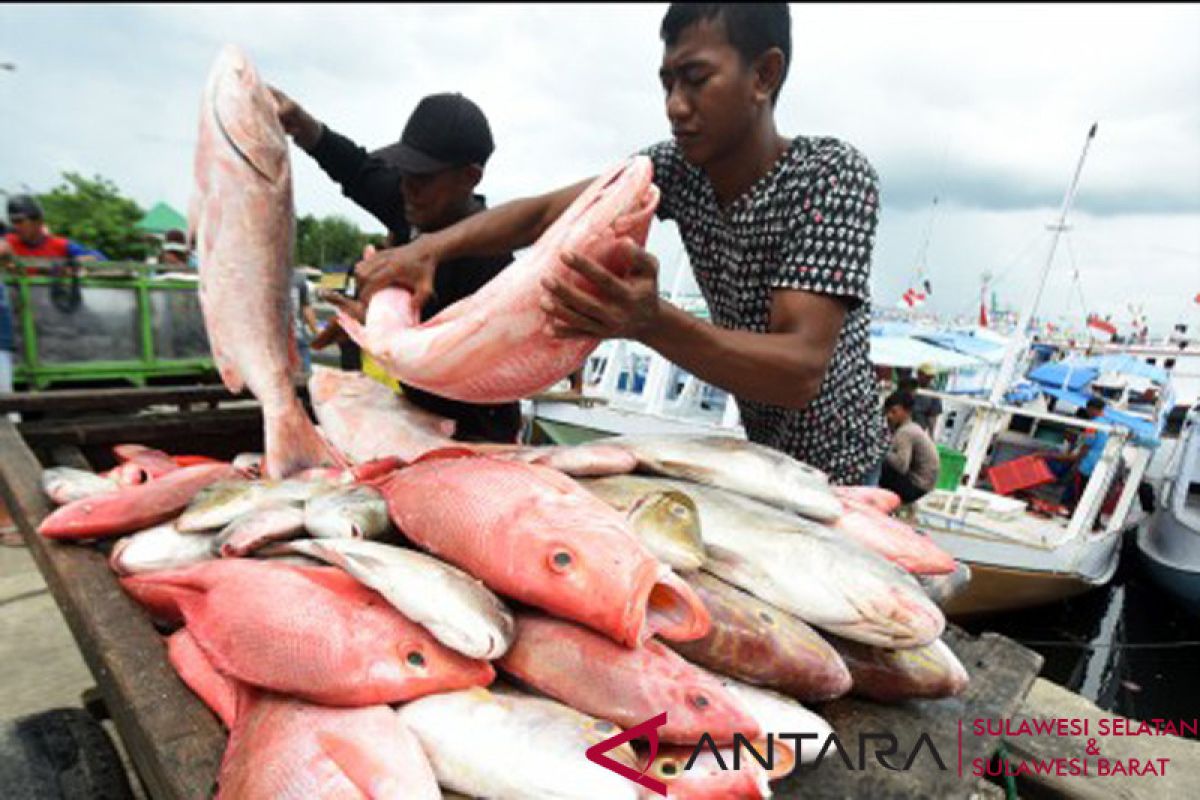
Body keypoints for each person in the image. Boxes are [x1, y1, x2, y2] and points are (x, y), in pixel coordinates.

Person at [351, 3, 887, 484]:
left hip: (843, 471)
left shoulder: (830, 177)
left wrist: (650, 321)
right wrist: (428, 249)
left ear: (764, 75)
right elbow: (542, 213)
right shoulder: (678, 169)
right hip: (764, 459)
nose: (676, 106)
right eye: (668, 83)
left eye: (697, 80)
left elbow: (799, 370)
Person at [270, 88, 522, 443]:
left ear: (470, 177)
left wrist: (372, 330)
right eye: (404, 172)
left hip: (476, 435)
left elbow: (463, 367)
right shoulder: (415, 206)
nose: (406, 187)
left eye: (422, 177)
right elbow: (356, 169)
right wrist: (303, 125)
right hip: (413, 420)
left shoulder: (493, 265)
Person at [0, 195, 107, 270]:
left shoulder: (60, 245)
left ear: (38, 221)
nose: (15, 226)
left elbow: (99, 258)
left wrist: (72, 263)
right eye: (13, 221)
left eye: (19, 221)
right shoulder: (8, 242)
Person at [1044, 397, 1109, 510]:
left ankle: (1071, 511)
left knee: (1078, 492)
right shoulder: (1108, 424)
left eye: (1088, 409)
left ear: (1092, 408)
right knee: (1089, 494)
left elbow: (1086, 446)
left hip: (1087, 464)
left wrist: (1076, 464)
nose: (1087, 412)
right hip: (1100, 465)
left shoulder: (1093, 425)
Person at [880, 391, 940, 504]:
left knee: (878, 465)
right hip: (924, 485)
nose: (889, 416)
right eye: (887, 412)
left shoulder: (905, 432)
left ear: (906, 412)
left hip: (916, 486)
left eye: (894, 412)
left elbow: (901, 465)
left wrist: (881, 450)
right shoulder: (913, 427)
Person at [290, 266, 319, 376]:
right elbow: (306, 308)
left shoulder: (264, 276)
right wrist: (316, 331)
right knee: (305, 376)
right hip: (297, 334)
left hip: (273, 339)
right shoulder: (298, 278)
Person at [900, 363, 943, 435]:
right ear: (918, 374)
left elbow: (932, 417)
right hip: (902, 427)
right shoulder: (907, 385)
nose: (929, 378)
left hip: (919, 431)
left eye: (931, 376)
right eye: (926, 376)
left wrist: (931, 435)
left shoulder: (933, 393)